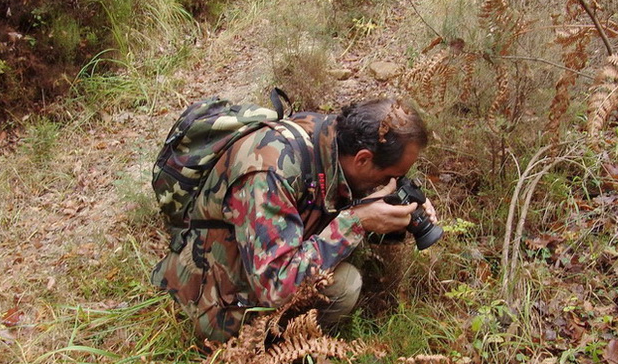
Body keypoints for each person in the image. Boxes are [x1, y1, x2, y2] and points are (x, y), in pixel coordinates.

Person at [151, 97, 437, 343]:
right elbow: (275, 286)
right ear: (363, 159)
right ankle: (277, 354)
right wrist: (357, 222)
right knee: (345, 284)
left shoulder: (332, 139)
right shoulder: (269, 172)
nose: (394, 182)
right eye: (392, 176)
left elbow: (333, 202)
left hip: (252, 255)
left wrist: (400, 213)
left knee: (346, 245)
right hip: (215, 294)